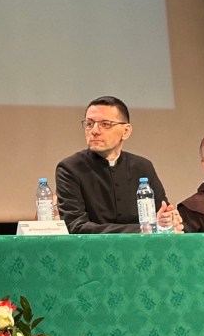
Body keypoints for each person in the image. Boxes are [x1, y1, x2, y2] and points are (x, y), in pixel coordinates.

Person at [55, 96, 182, 234]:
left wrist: (168, 220)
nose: (94, 131)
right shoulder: (70, 168)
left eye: (105, 124)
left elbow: (162, 214)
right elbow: (76, 227)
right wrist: (145, 230)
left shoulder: (142, 166)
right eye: (90, 123)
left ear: (125, 131)